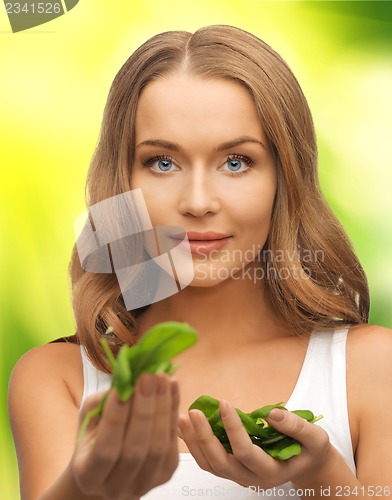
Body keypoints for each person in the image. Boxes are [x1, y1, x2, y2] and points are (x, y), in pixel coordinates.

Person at [8, 25, 392, 500]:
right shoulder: (57, 378)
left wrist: (321, 476)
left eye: (236, 161)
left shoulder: (372, 366)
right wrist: (88, 487)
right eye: (162, 163)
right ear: (121, 183)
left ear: (284, 178)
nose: (197, 202)